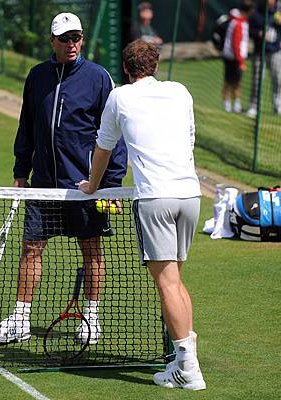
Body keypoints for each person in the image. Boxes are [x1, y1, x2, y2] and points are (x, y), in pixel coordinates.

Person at [0, 12, 127, 345]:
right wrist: (22, 171)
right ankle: (20, 320)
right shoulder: (37, 77)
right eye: (65, 38)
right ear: (53, 41)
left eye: (76, 37)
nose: (72, 43)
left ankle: (90, 321)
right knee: (31, 248)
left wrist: (110, 183)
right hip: (43, 184)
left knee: (91, 250)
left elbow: (115, 136)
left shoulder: (99, 78)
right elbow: (27, 126)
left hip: (85, 188)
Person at [78, 40, 205, 391]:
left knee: (167, 284)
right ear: (155, 65)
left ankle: (188, 368)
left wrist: (92, 185)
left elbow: (103, 148)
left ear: (125, 68)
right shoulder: (181, 92)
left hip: (155, 198)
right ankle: (184, 362)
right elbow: (189, 138)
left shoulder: (119, 97)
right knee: (175, 280)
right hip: (190, 195)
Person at [246, 0, 281, 118]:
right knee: (257, 81)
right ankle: (254, 106)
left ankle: (279, 106)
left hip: (276, 52)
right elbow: (249, 30)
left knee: (277, 80)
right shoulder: (256, 11)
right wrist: (259, 34)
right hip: (259, 53)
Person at [221, 1, 254, 113]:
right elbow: (236, 44)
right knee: (234, 82)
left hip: (229, 56)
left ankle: (229, 105)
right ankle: (234, 106)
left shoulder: (235, 20)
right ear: (248, 11)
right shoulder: (239, 23)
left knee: (229, 81)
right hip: (234, 57)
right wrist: (240, 62)